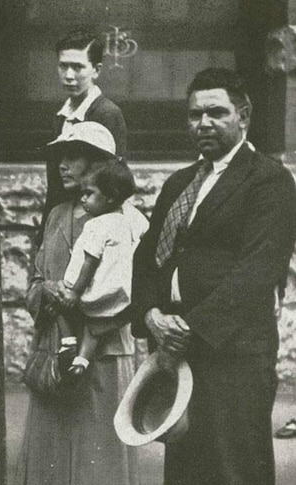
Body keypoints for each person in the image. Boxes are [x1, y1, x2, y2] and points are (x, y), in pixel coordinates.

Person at [131, 67, 296, 484]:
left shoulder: (269, 180)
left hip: (234, 356)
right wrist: (151, 314)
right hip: (178, 353)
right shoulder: (179, 183)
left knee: (234, 469)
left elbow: (257, 271)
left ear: (243, 115)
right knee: (186, 471)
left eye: (216, 112)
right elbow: (147, 258)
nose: (203, 123)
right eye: (194, 114)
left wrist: (188, 327)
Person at [17, 121, 143, 485]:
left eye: (74, 157)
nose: (63, 165)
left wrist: (90, 305)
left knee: (99, 458)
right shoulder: (56, 216)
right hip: (55, 352)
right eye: (60, 157)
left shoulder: (130, 222)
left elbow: (136, 289)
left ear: (101, 165)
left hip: (103, 352)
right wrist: (49, 292)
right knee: (50, 460)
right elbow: (34, 284)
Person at [54, 158, 147, 376]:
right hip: (119, 289)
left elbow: (90, 260)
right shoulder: (129, 221)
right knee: (95, 326)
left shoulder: (97, 224)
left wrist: (75, 291)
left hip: (94, 286)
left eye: (89, 193)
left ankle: (68, 342)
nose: (83, 198)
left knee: (59, 302)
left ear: (110, 197)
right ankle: (82, 361)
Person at [41, 29, 128, 241]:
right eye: (63, 66)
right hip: (61, 227)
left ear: (96, 70)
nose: (69, 75)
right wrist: (43, 238)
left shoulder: (107, 114)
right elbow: (54, 189)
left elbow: (112, 187)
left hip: (92, 232)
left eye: (78, 67)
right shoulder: (61, 117)